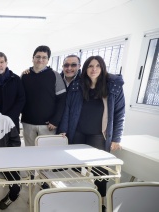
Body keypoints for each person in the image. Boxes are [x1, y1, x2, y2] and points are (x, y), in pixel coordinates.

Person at [58, 55, 125, 211]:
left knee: (99, 170)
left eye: (97, 66)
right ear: (85, 68)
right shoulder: (77, 85)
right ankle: (78, 196)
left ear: (102, 68)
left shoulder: (113, 87)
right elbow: (68, 109)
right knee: (74, 167)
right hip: (78, 132)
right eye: (90, 66)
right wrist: (64, 130)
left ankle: (100, 201)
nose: (93, 69)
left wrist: (116, 137)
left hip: (98, 135)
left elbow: (120, 113)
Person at [20, 45, 66, 146]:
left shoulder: (55, 75)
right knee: (30, 153)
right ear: (33, 58)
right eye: (38, 57)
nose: (40, 59)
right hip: (28, 123)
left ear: (48, 60)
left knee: (47, 155)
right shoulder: (24, 75)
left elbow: (62, 100)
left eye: (44, 57)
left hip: (48, 125)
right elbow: (20, 98)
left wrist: (55, 121)